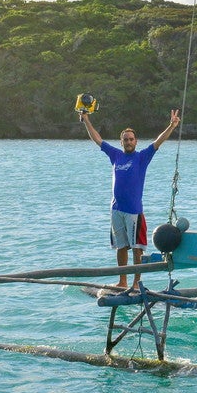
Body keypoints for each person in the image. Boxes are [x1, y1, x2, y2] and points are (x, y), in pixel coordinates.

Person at [80, 107, 181, 290]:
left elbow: (158, 142)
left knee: (137, 248)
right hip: (116, 209)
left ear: (136, 141)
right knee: (120, 247)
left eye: (131, 139)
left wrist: (172, 126)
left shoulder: (142, 157)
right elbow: (97, 139)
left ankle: (136, 283)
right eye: (125, 140)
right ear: (121, 142)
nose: (128, 142)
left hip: (134, 211)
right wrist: (86, 119)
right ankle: (123, 281)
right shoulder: (115, 155)